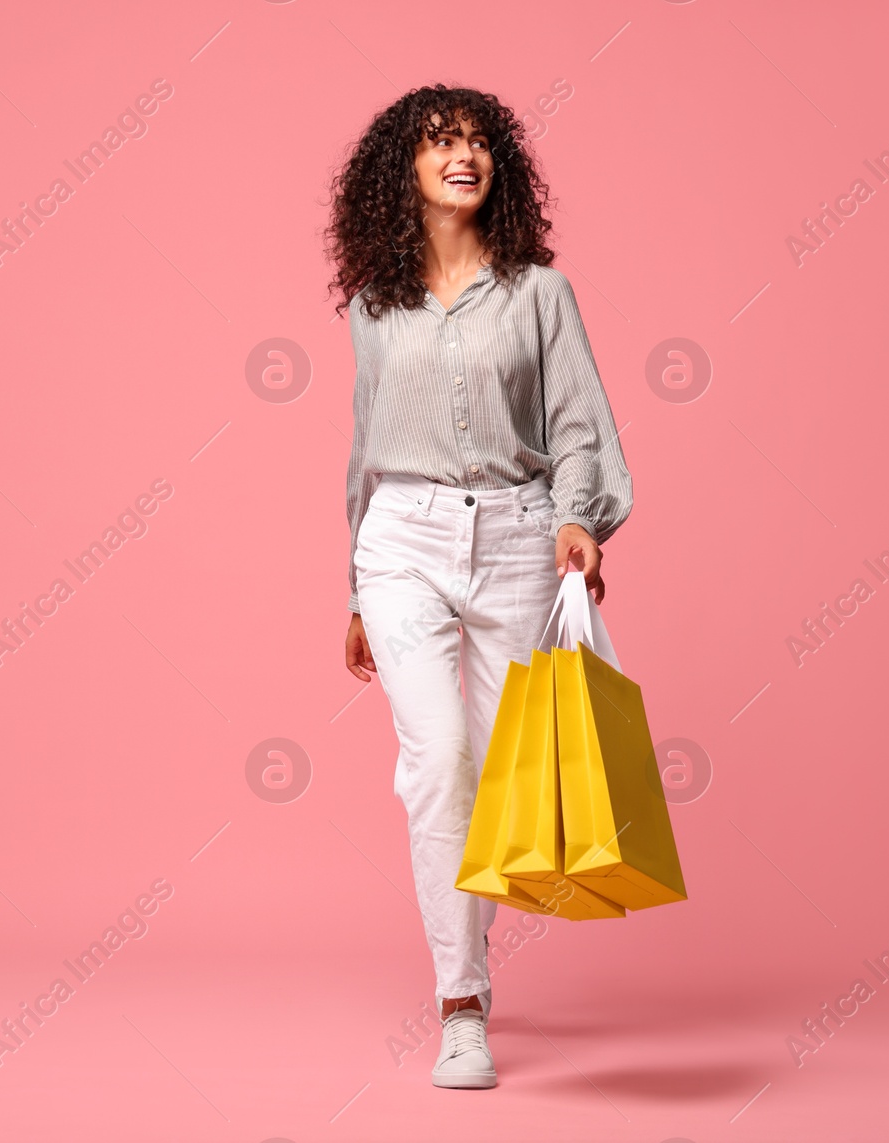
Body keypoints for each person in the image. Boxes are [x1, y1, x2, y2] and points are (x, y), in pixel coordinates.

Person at [327, 84, 632, 1089]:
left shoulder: (540, 293)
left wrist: (578, 519)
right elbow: (367, 450)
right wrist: (358, 592)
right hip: (401, 542)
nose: (465, 155)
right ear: (401, 171)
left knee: (506, 780)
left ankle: (475, 958)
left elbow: (577, 425)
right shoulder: (375, 306)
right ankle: (461, 1004)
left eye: (478, 143)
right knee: (439, 765)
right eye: (441, 142)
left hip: (513, 539)